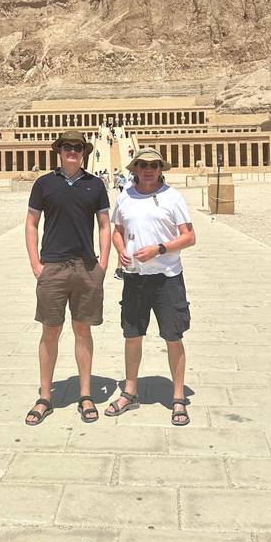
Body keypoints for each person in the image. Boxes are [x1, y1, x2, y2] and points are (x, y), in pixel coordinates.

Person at [25, 131, 111, 425]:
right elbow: (32, 223)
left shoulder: (95, 184)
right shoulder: (44, 184)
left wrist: (103, 264)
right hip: (54, 267)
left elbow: (104, 225)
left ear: (85, 152)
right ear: (59, 151)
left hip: (86, 267)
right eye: (67, 147)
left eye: (77, 147)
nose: (72, 151)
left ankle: (85, 394)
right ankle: (45, 396)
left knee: (83, 331)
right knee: (50, 331)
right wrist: (36, 263)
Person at [106, 149, 196, 426]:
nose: (148, 170)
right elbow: (117, 230)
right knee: (132, 335)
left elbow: (190, 236)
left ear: (160, 169)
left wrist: (160, 248)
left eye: (153, 165)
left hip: (167, 277)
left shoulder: (172, 197)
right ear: (135, 168)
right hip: (135, 277)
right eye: (143, 165)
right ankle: (130, 391)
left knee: (173, 335)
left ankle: (178, 396)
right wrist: (120, 250)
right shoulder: (125, 196)